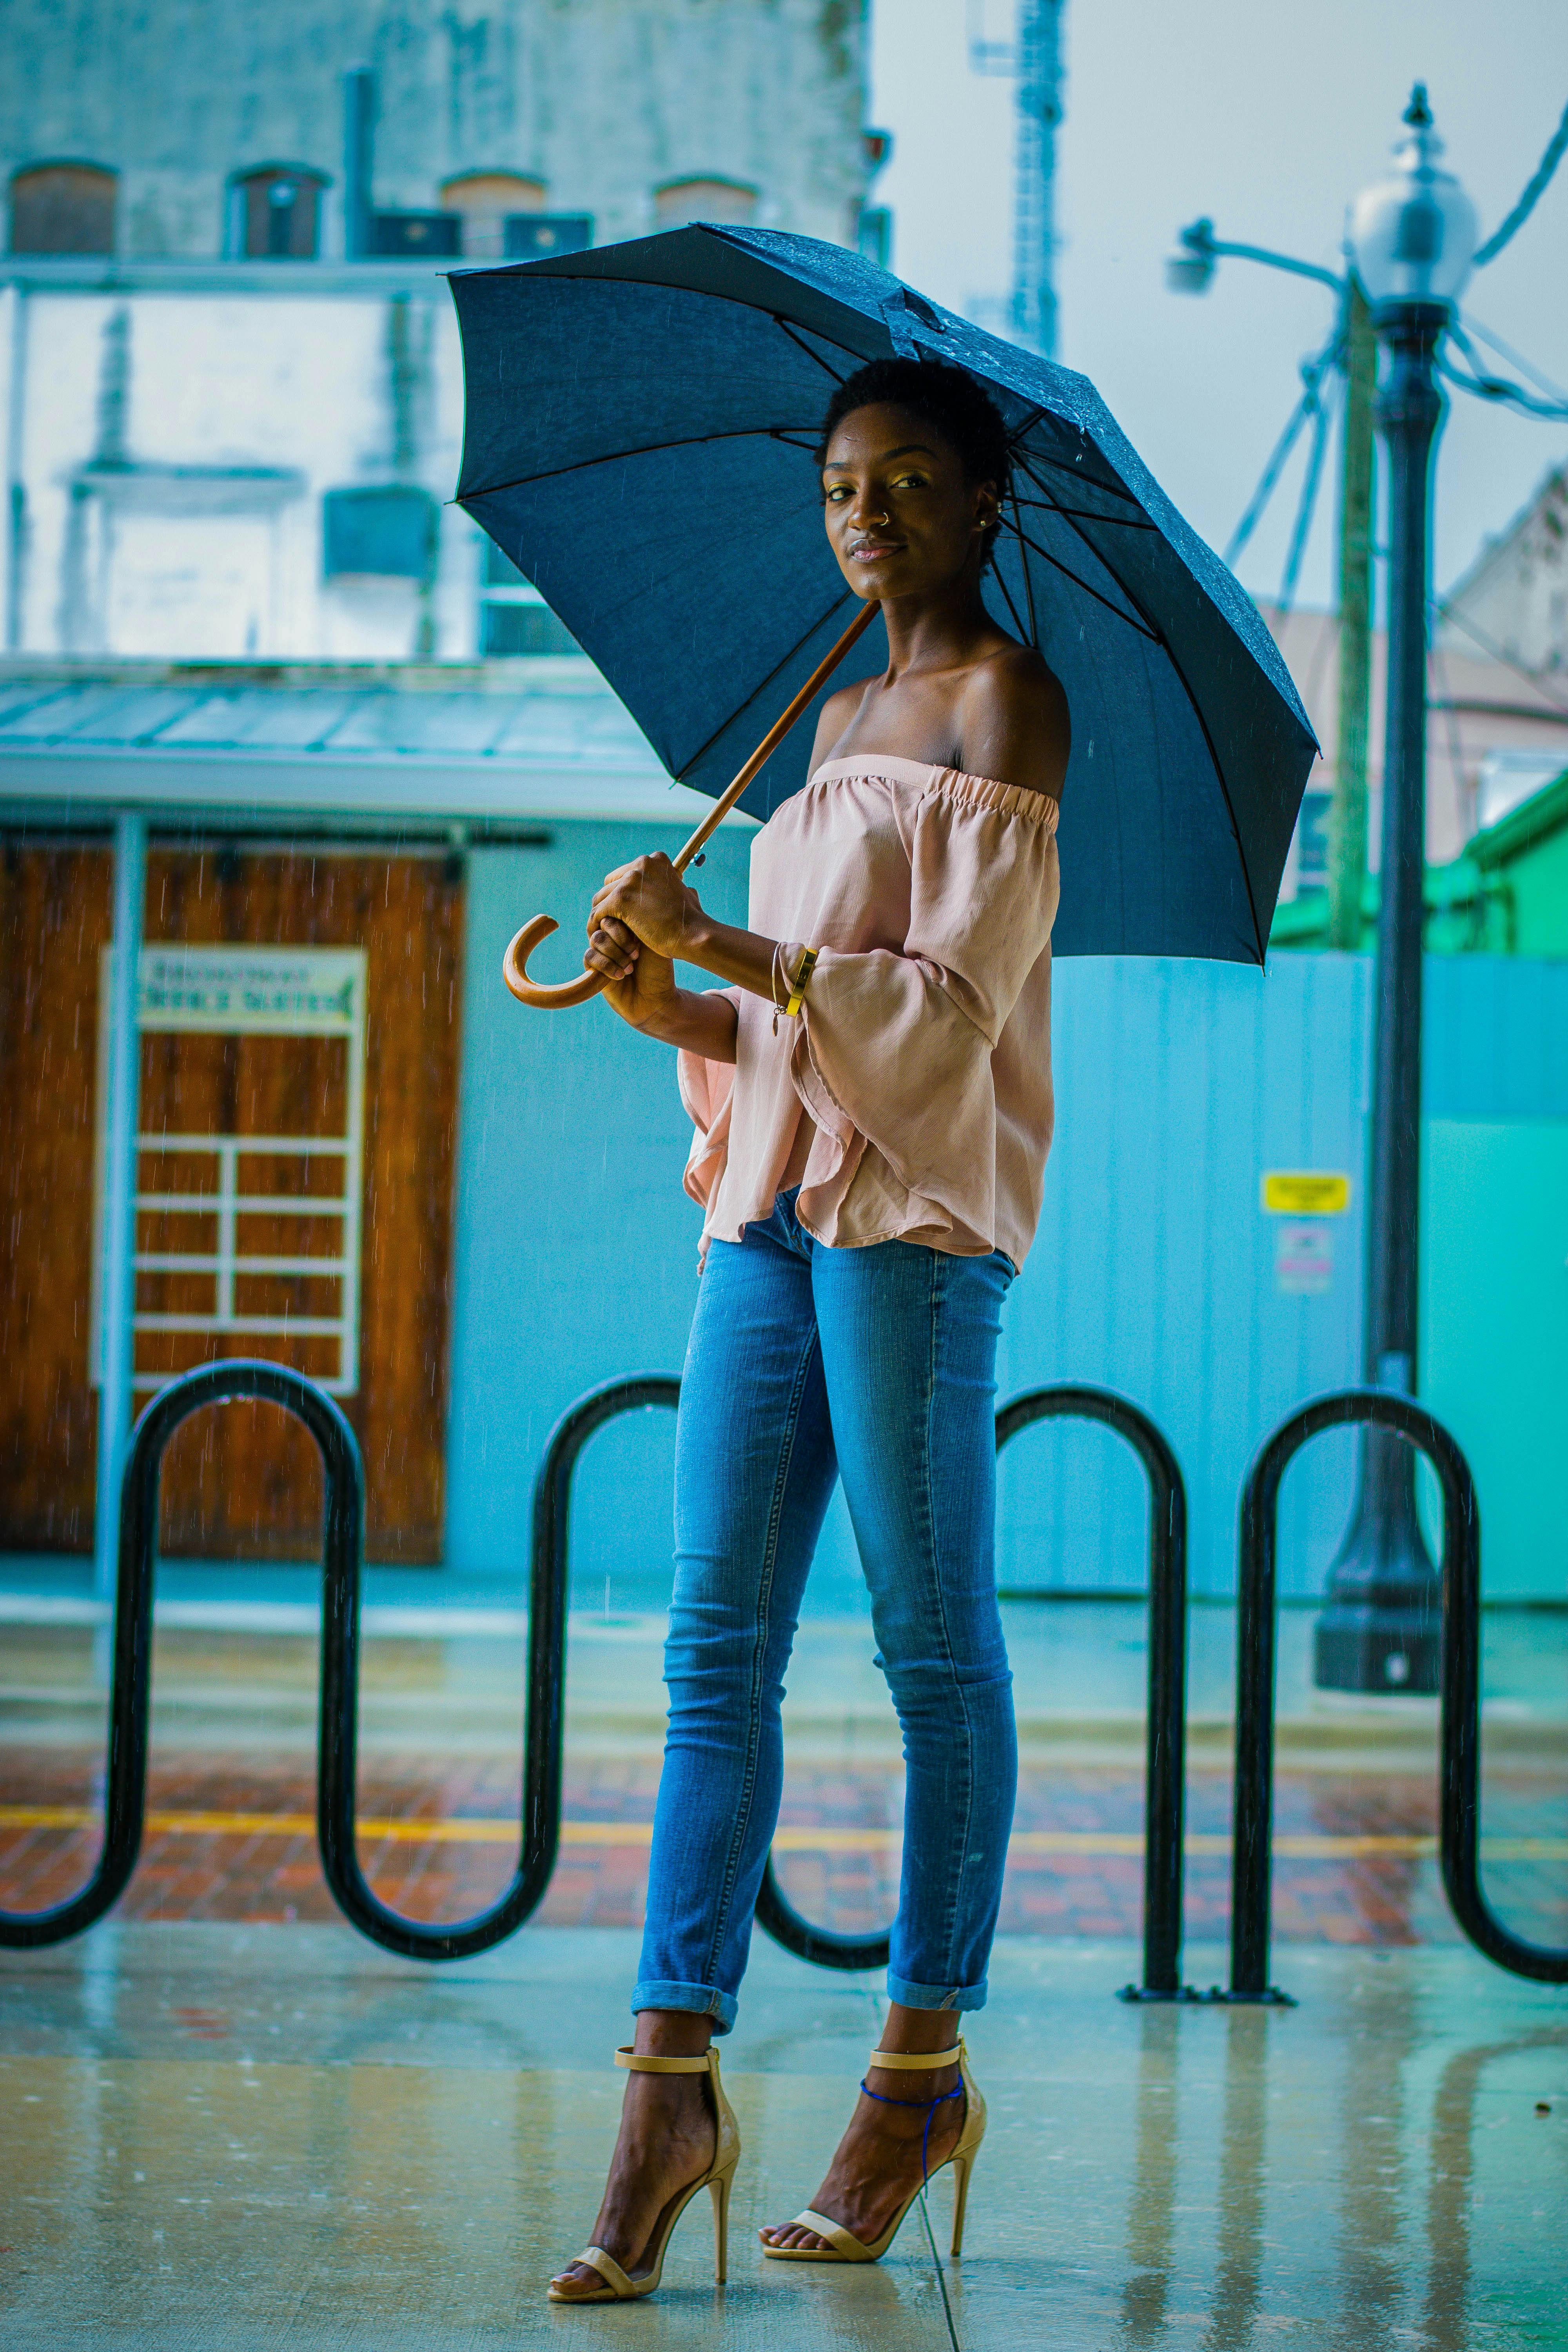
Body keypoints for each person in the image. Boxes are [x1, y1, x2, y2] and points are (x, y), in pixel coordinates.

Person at [548, 356, 1070, 2304]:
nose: (865, 514)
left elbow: (941, 1023)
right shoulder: (829, 712)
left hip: (913, 1229)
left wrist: (738, 951)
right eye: (845, 485)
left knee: (930, 1651)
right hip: (770, 1217)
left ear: (983, 500)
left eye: (909, 482)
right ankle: (665, 2091)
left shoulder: (1010, 703)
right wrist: (662, 999)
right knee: (714, 1651)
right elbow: (785, 1036)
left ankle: (917, 2070)